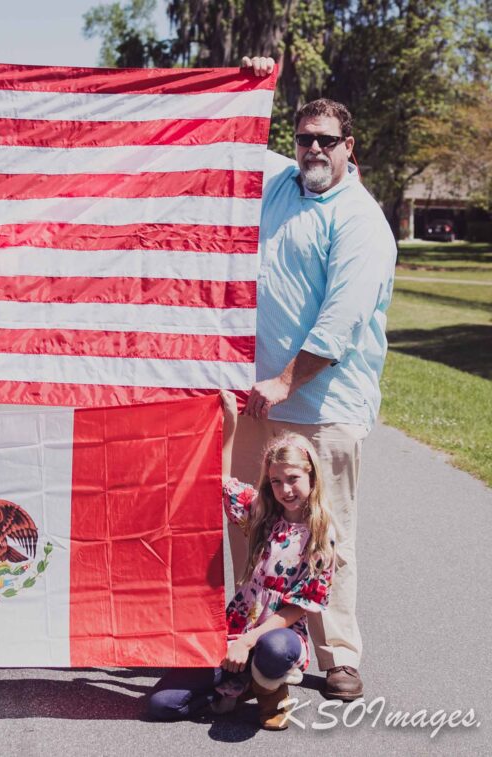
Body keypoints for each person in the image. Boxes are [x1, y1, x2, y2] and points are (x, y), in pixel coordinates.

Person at [230, 56, 398, 701]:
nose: (315, 150)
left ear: (348, 148)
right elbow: (235, 137)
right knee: (253, 522)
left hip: (323, 405)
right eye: (305, 139)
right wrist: (252, 81)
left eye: (327, 140)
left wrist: (284, 383)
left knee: (328, 533)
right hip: (259, 401)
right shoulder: (282, 183)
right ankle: (251, 635)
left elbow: (341, 323)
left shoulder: (359, 220)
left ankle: (339, 655)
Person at [147, 392, 335, 730]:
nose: (285, 489)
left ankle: (269, 687)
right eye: (276, 481)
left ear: (311, 476)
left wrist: (251, 641)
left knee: (274, 650)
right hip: (237, 627)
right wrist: (229, 424)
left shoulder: (321, 533)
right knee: (162, 704)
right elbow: (219, 482)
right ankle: (233, 690)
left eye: (293, 478)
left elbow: (300, 607)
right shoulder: (262, 514)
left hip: (280, 632)